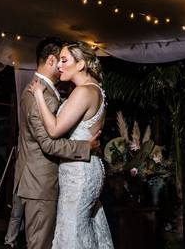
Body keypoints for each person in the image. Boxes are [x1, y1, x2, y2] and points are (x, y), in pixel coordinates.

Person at [13, 38, 99, 249]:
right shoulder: (36, 94)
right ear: (51, 60)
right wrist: (85, 147)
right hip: (40, 184)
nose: (61, 66)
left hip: (46, 183)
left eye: (65, 60)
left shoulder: (46, 91)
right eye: (59, 60)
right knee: (40, 244)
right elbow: (48, 144)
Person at [28, 41, 114, 249]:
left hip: (79, 175)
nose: (59, 65)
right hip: (87, 168)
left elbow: (55, 130)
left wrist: (39, 95)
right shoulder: (96, 90)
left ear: (81, 64)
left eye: (65, 60)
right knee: (85, 228)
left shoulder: (83, 92)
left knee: (72, 230)